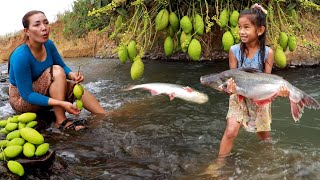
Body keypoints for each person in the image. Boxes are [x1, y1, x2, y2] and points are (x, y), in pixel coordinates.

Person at [204, 3, 289, 175]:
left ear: (259, 30)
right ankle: (219, 163)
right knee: (230, 131)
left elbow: (267, 80)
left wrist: (278, 93)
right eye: (239, 27)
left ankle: (269, 160)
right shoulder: (234, 50)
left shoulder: (268, 53)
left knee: (263, 136)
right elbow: (230, 78)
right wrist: (230, 89)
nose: (241, 31)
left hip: (260, 97)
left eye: (246, 27)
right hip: (238, 95)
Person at [8, 10, 106, 131]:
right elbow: (27, 95)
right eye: (37, 24)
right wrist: (61, 103)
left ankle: (104, 116)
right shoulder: (21, 56)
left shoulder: (48, 44)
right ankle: (61, 120)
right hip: (22, 100)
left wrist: (72, 74)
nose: (44, 28)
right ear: (26, 31)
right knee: (57, 71)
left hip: (43, 90)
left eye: (46, 23)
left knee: (74, 86)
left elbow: (63, 66)